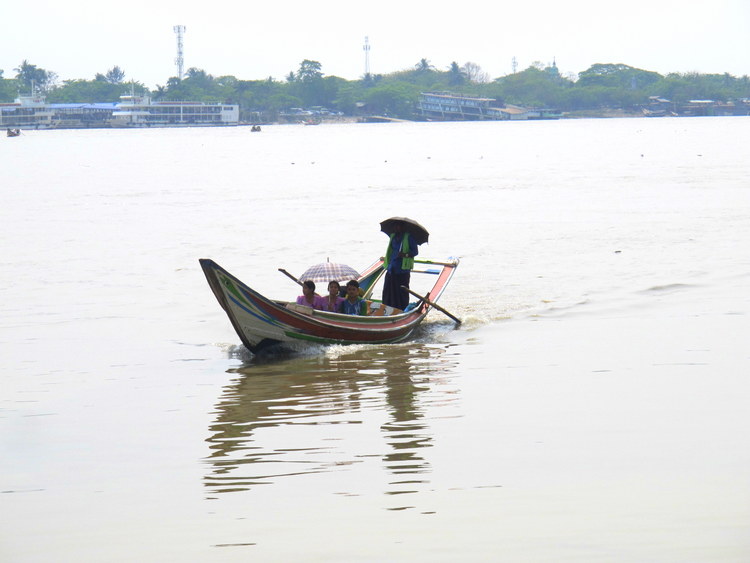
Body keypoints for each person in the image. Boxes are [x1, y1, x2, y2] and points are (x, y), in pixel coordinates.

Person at [382, 221, 418, 310]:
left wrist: (405, 254)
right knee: (388, 291)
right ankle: (387, 309)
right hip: (391, 268)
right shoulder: (393, 236)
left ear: (403, 227)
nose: (397, 228)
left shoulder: (408, 237)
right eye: (395, 226)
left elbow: (415, 252)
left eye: (399, 226)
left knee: (401, 293)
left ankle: (402, 310)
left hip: (402, 270)